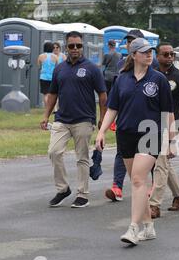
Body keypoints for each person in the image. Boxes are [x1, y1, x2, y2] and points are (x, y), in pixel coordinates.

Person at [95, 38, 174, 245]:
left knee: (138, 180)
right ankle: (149, 227)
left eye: (151, 52)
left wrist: (170, 140)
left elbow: (168, 112)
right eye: (144, 52)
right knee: (137, 181)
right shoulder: (122, 79)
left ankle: (133, 228)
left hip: (150, 133)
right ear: (133, 55)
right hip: (125, 134)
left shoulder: (159, 79)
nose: (149, 55)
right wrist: (101, 132)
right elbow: (113, 109)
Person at [40, 31, 107, 209]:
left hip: (84, 120)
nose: (75, 49)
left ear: (82, 46)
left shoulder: (92, 68)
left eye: (78, 45)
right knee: (54, 152)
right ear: (66, 47)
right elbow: (53, 93)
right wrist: (46, 115)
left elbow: (102, 95)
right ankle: (63, 189)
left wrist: (102, 119)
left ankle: (82, 194)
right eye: (72, 46)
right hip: (62, 119)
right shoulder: (60, 68)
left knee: (82, 158)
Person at [148, 42, 179, 219]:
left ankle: (154, 204)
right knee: (163, 163)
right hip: (151, 125)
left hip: (172, 126)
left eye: (171, 54)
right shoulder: (150, 75)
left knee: (160, 164)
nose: (169, 57)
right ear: (157, 56)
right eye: (165, 54)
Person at [105, 29, 148, 202]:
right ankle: (117, 187)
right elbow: (117, 92)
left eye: (133, 40)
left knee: (149, 154)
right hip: (126, 117)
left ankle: (151, 187)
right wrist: (113, 118)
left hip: (148, 120)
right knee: (121, 152)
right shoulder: (121, 63)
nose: (129, 44)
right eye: (128, 41)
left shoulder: (150, 62)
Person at [38, 42, 58, 106]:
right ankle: (54, 108)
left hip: (43, 77)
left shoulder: (41, 56)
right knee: (53, 94)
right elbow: (57, 67)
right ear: (52, 48)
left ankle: (47, 108)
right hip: (52, 77)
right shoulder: (55, 57)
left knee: (45, 94)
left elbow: (39, 66)